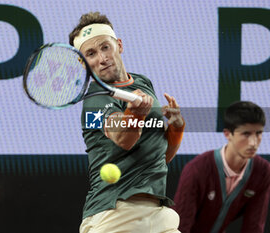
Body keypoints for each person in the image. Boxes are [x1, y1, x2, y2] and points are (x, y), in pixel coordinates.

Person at [69, 12, 185, 233]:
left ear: (119, 45)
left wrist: (177, 128)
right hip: (114, 214)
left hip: (159, 215)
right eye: (91, 54)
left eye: (105, 47)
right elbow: (123, 138)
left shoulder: (142, 82)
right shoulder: (94, 100)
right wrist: (135, 114)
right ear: (83, 63)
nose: (102, 58)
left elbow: (160, 156)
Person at [173, 101, 270, 233]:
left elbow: (254, 227)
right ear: (227, 134)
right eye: (246, 134)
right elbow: (180, 226)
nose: (253, 142)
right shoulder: (197, 169)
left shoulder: (263, 171)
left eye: (259, 133)